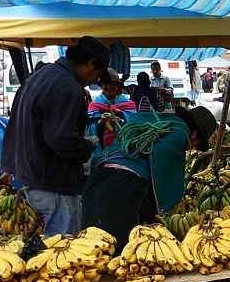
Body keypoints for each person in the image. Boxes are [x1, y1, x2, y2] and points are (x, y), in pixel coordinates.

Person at [1, 35, 110, 237]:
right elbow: (62, 140)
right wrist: (87, 148)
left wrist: (10, 167)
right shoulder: (67, 87)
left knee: (49, 254)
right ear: (90, 63)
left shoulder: (40, 77)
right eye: (98, 74)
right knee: (64, 254)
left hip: (33, 179)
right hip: (54, 184)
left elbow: (15, 125)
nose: (95, 81)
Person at [82, 105, 217, 255]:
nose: (190, 148)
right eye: (196, 144)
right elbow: (167, 172)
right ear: (194, 134)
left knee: (92, 242)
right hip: (123, 186)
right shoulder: (180, 133)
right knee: (116, 250)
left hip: (99, 177)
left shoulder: (157, 121)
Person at [88, 68, 136, 149]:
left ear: (118, 87)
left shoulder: (127, 103)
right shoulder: (95, 104)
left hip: (124, 146)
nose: (109, 87)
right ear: (102, 86)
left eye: (112, 84)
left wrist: (122, 121)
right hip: (101, 147)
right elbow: (89, 126)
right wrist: (100, 123)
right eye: (106, 84)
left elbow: (135, 122)